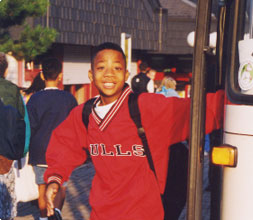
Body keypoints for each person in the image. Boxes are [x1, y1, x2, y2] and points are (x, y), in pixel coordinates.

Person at [44, 42, 224, 220]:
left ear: (126, 74)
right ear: (91, 75)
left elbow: (200, 111)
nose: (109, 74)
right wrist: (55, 179)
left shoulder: (147, 108)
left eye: (116, 68)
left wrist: (236, 98)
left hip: (145, 213)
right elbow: (64, 148)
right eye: (101, 68)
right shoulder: (84, 115)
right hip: (101, 214)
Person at [27, 57, 77, 220]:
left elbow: (30, 127)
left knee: (42, 187)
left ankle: (43, 217)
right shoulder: (69, 99)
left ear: (42, 76)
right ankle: (56, 214)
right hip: (63, 151)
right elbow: (76, 127)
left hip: (40, 149)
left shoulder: (34, 99)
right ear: (60, 76)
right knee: (60, 186)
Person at [0, 52, 28, 219]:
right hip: (5, 157)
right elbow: (23, 124)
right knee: (6, 205)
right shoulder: (13, 90)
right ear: (5, 70)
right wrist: (22, 152)